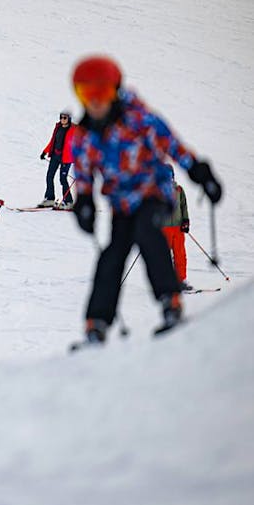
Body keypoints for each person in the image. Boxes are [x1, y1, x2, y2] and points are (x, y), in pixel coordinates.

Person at [68, 55, 222, 342]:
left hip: (154, 193)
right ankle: (97, 322)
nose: (95, 101)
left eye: (101, 92)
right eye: (86, 93)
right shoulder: (84, 135)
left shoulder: (139, 120)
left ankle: (170, 302)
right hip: (121, 204)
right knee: (112, 254)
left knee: (148, 233)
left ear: (115, 91)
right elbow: (84, 173)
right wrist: (84, 202)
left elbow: (173, 146)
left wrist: (201, 173)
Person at [38, 111, 76, 209]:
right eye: (61, 117)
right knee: (49, 176)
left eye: (65, 118)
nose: (62, 120)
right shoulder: (58, 127)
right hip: (55, 155)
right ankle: (50, 199)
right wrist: (45, 151)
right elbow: (52, 141)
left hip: (66, 158)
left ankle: (68, 202)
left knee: (63, 179)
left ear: (69, 119)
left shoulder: (73, 130)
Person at [162, 169, 191, 291]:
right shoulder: (159, 190)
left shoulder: (179, 190)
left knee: (180, 255)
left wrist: (185, 220)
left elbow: (183, 206)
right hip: (164, 228)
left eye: (170, 176)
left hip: (178, 228)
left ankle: (181, 280)